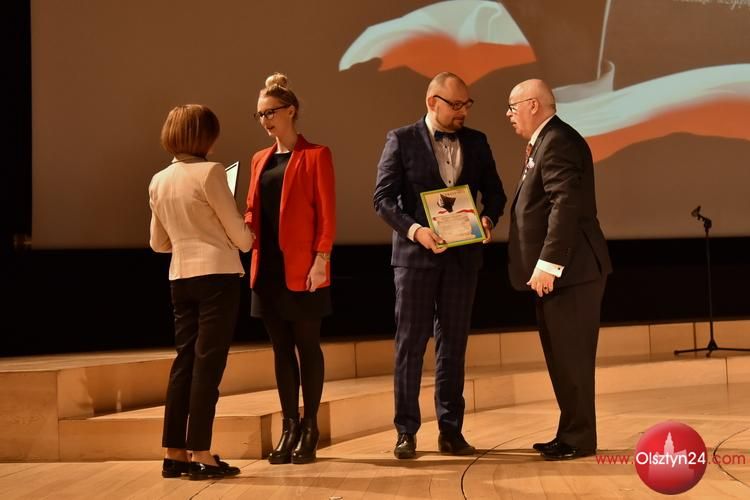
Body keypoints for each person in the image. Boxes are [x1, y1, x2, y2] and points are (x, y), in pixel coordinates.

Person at [374, 72, 506, 459]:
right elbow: (383, 199)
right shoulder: (401, 139)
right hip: (415, 259)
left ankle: (451, 430)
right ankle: (406, 431)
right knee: (410, 344)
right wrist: (416, 231)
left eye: (467, 104)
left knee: (453, 346)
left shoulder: (477, 141)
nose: (464, 111)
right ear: (432, 102)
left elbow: (495, 193)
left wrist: (487, 219)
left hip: (463, 258)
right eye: (456, 104)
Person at [504, 79, 612, 460]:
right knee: (562, 359)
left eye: (513, 106)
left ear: (533, 105)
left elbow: (564, 204)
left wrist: (549, 263)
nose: (509, 115)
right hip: (562, 274)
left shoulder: (558, 141)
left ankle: (579, 438)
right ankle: (570, 432)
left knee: (573, 359)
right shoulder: (546, 141)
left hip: (572, 272)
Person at [149, 104, 254, 479]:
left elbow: (158, 243)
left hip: (180, 277)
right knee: (207, 365)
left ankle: (174, 452)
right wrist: (247, 228)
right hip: (217, 276)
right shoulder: (211, 172)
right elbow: (241, 238)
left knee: (184, 363)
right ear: (206, 136)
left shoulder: (159, 179)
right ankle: (201, 454)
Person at [245, 73, 336, 465]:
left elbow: (327, 214)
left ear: (291, 111)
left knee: (307, 347)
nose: (265, 120)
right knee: (280, 350)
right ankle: (289, 426)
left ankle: (310, 426)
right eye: (260, 114)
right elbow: (253, 210)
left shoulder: (316, 155)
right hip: (266, 269)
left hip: (304, 268)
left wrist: (322, 259)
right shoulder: (258, 160)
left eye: (271, 112)